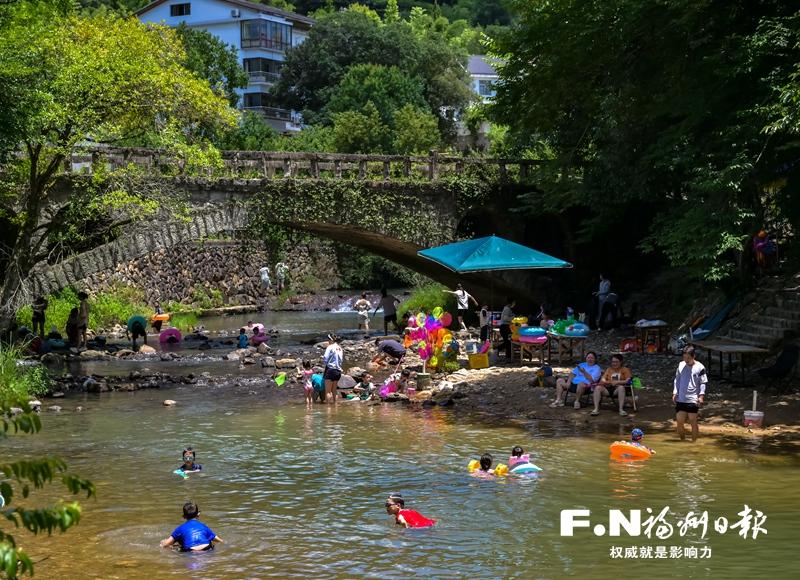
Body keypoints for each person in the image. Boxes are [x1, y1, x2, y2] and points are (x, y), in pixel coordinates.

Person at [673, 345, 707, 442]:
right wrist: (675, 392)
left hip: (693, 398)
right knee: (679, 421)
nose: (686, 360)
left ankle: (694, 443)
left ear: (693, 356)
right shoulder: (681, 365)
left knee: (693, 421)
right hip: (681, 398)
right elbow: (677, 380)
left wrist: (701, 396)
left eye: (688, 358)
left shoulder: (700, 367)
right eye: (684, 357)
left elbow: (703, 383)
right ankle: (683, 441)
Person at [323, 334, 343, 404]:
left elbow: (325, 357)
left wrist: (325, 363)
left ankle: (328, 408)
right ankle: (335, 406)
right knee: (334, 390)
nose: (328, 341)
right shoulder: (340, 348)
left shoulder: (330, 347)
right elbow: (341, 359)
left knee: (328, 391)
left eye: (328, 339)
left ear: (331, 340)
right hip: (338, 370)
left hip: (331, 369)